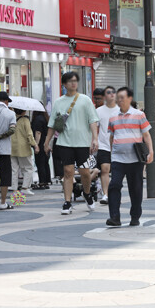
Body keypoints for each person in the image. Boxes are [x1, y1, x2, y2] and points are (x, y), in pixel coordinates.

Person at [45, 71, 100, 215]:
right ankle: (67, 202)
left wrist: (94, 138)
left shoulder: (85, 100)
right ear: (64, 84)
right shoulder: (58, 102)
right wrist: (47, 142)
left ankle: (87, 194)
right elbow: (52, 124)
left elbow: (93, 120)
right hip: (65, 142)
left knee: (85, 173)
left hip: (82, 143)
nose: (73, 83)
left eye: (75, 80)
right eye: (70, 81)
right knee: (68, 172)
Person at [105, 87, 154, 227]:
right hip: (118, 159)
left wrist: (150, 152)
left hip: (135, 159)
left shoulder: (139, 115)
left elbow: (146, 135)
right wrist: (111, 152)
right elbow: (112, 136)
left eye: (122, 97)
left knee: (136, 188)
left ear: (129, 99)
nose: (119, 100)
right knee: (114, 185)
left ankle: (135, 216)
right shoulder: (113, 116)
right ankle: (114, 217)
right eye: (118, 97)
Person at [95, 86, 119, 205]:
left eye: (113, 92)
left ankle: (114, 193)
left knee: (116, 171)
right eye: (108, 93)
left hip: (118, 145)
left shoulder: (120, 110)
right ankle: (106, 194)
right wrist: (93, 141)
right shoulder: (99, 111)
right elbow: (95, 128)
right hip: (103, 144)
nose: (111, 94)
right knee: (104, 169)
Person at [10, 108, 38, 195]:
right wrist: (35, 145)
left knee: (14, 169)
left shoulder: (11, 118)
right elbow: (29, 134)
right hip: (23, 147)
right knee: (28, 168)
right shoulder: (25, 120)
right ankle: (25, 187)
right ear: (23, 111)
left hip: (11, 146)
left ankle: (14, 189)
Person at [32, 111, 51, 189]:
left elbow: (38, 132)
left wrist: (36, 144)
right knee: (45, 163)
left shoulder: (37, 119)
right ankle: (46, 181)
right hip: (45, 142)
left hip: (40, 143)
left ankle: (42, 182)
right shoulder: (46, 118)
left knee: (40, 163)